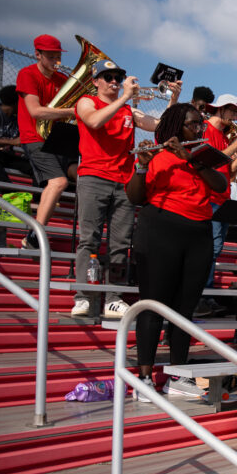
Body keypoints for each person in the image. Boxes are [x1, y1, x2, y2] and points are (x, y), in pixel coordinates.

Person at [125, 104, 229, 399]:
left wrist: (193, 160)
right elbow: (135, 195)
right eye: (193, 124)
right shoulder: (157, 154)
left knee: (185, 308)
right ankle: (144, 378)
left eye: (200, 124)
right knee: (154, 304)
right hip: (160, 228)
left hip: (198, 232)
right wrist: (142, 167)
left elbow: (221, 186)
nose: (199, 129)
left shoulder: (204, 154)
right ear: (176, 125)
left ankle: (177, 374)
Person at [71, 59, 179, 319]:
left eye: (118, 78)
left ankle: (113, 297)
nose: (114, 83)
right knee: (89, 239)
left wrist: (172, 101)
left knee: (120, 243)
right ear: (95, 81)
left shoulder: (129, 111)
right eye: (108, 78)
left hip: (124, 181)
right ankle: (84, 295)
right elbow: (94, 122)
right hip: (94, 177)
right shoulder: (87, 101)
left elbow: (163, 128)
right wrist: (125, 99)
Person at [16, 34, 77, 248]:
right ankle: (34, 235)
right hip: (34, 137)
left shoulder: (61, 79)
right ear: (37, 55)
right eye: (51, 57)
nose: (56, 62)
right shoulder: (27, 74)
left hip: (57, 136)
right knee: (59, 182)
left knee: (80, 176)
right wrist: (73, 110)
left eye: (58, 57)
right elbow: (34, 111)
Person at [198, 94, 237, 317]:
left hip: (222, 198)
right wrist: (236, 144)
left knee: (215, 250)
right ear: (220, 109)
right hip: (207, 198)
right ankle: (203, 295)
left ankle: (207, 295)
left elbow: (229, 173)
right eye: (232, 112)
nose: (235, 117)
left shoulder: (223, 136)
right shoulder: (204, 129)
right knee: (208, 251)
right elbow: (209, 160)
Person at [0, 85, 34, 184]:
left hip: (7, 155)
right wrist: (12, 142)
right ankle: (8, 194)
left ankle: (39, 198)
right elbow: (15, 141)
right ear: (16, 102)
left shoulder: (19, 117)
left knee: (37, 167)